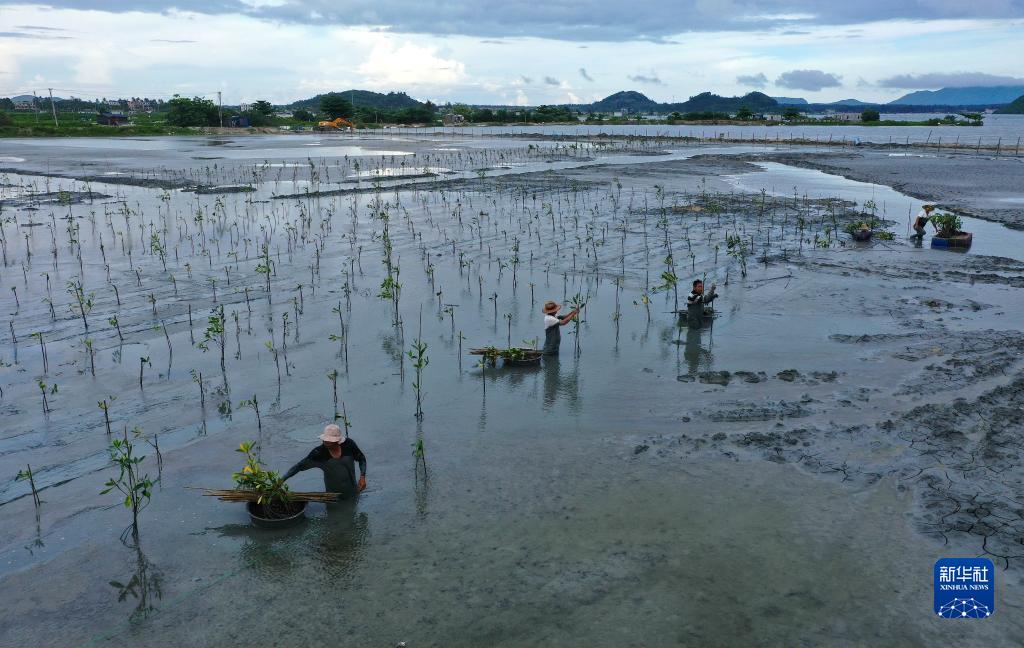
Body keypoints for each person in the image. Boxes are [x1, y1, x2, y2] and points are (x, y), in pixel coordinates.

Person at [282, 424, 366, 499]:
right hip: (332, 496)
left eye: (329, 441)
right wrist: (281, 480)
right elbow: (299, 466)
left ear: (337, 441)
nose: (326, 442)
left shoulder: (349, 444)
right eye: (325, 440)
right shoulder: (319, 453)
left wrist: (362, 477)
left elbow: (361, 458)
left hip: (352, 492)